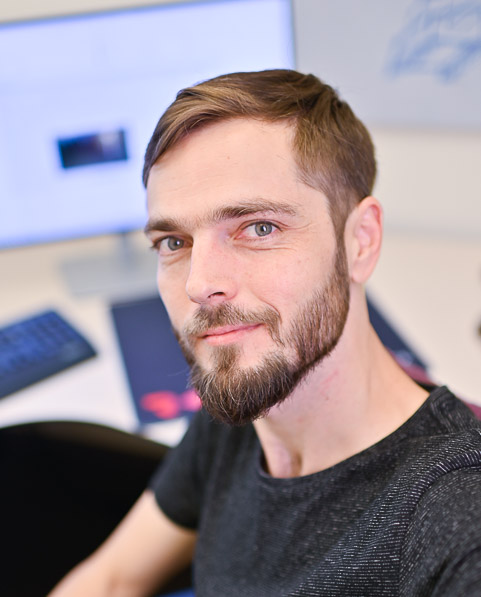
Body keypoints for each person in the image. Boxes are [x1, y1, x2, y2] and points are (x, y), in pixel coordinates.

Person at [49, 69, 481, 596]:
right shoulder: (246, 398)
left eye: (259, 228)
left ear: (360, 243)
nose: (200, 284)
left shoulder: (454, 513)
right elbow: (112, 579)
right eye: (173, 242)